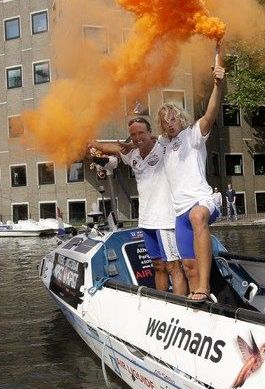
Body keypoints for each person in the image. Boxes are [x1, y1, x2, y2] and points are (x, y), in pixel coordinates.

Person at [87, 117, 188, 297]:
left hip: (165, 220)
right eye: (133, 134)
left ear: (150, 133)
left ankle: (180, 306)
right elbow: (117, 149)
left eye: (141, 133)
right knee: (157, 265)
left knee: (174, 266)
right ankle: (162, 302)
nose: (137, 137)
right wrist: (95, 144)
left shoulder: (164, 148)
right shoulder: (133, 155)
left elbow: (173, 135)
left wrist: (147, 140)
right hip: (146, 221)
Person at [157, 42, 225, 301]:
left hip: (202, 202)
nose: (169, 124)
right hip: (179, 213)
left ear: (181, 119)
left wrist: (218, 85)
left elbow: (210, 113)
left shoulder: (193, 135)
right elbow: (136, 143)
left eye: (172, 119)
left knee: (198, 216)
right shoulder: (164, 145)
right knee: (188, 267)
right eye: (164, 121)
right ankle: (201, 303)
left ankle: (204, 288)